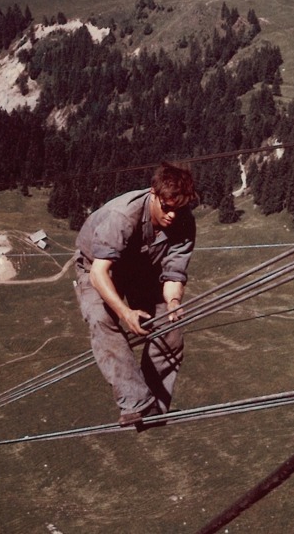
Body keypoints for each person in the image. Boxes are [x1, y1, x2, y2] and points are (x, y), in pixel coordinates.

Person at [73, 162, 197, 427]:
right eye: (166, 207)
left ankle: (153, 407)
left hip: (142, 270)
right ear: (153, 194)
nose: (172, 216)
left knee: (171, 330)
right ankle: (135, 402)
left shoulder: (184, 222)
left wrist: (174, 302)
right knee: (101, 319)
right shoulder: (122, 216)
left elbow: (174, 274)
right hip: (99, 267)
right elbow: (99, 273)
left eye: (179, 209)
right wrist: (125, 313)